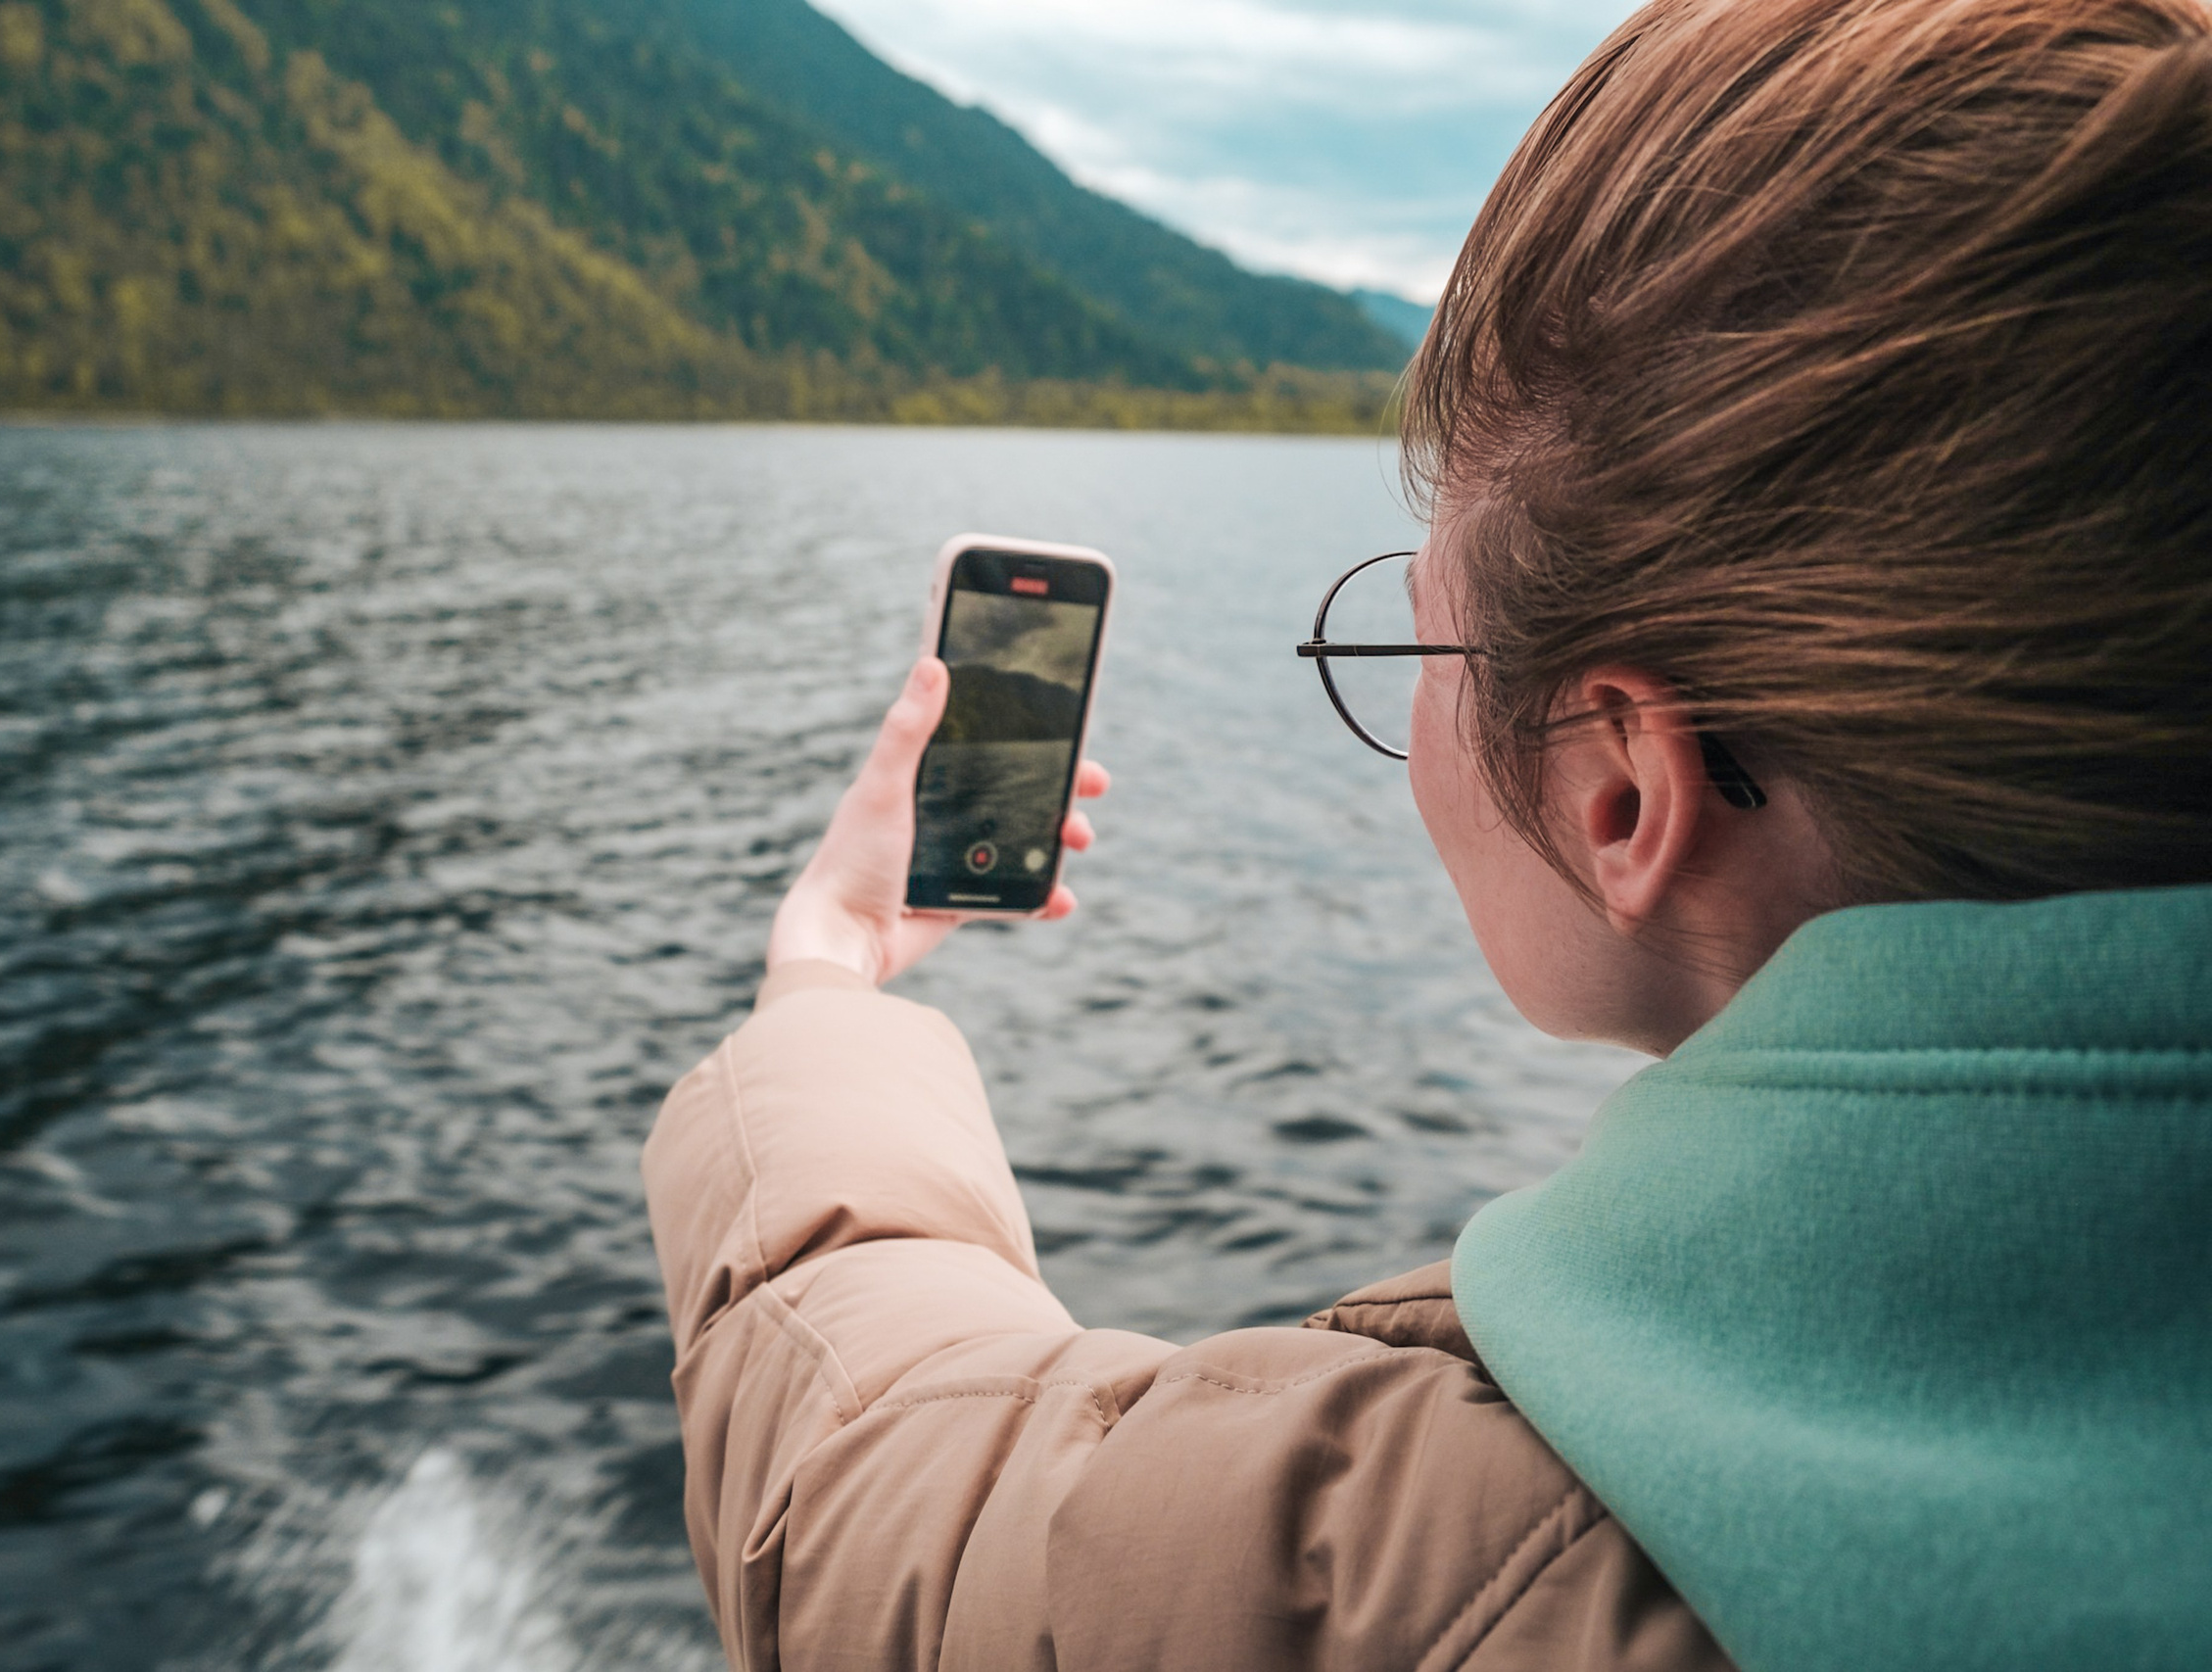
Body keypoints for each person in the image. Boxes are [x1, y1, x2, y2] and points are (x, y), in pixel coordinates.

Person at [642, 0, 2212, 1665]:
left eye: (1411, 648)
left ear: (1620, 787)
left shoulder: (1434, 1564)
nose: (1407, 722)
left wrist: (825, 979)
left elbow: (873, 1499)